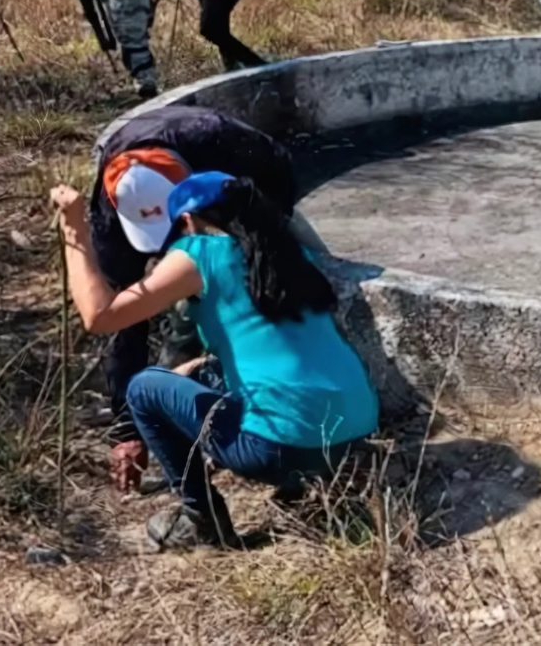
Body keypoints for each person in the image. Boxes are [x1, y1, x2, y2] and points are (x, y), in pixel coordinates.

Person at [51, 171, 379, 549]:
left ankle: (202, 521)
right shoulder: (288, 254)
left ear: (188, 221)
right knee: (208, 374)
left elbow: (99, 316)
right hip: (354, 431)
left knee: (143, 388)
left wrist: (74, 226)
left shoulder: (199, 254)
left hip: (278, 449)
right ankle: (311, 485)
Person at [87, 105, 315, 494]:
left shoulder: (219, 140)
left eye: (175, 227)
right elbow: (120, 321)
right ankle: (182, 416)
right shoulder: (110, 217)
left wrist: (259, 248)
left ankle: (256, 408)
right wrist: (128, 428)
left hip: (245, 197)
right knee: (177, 312)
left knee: (271, 292)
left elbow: (279, 177)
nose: (170, 241)